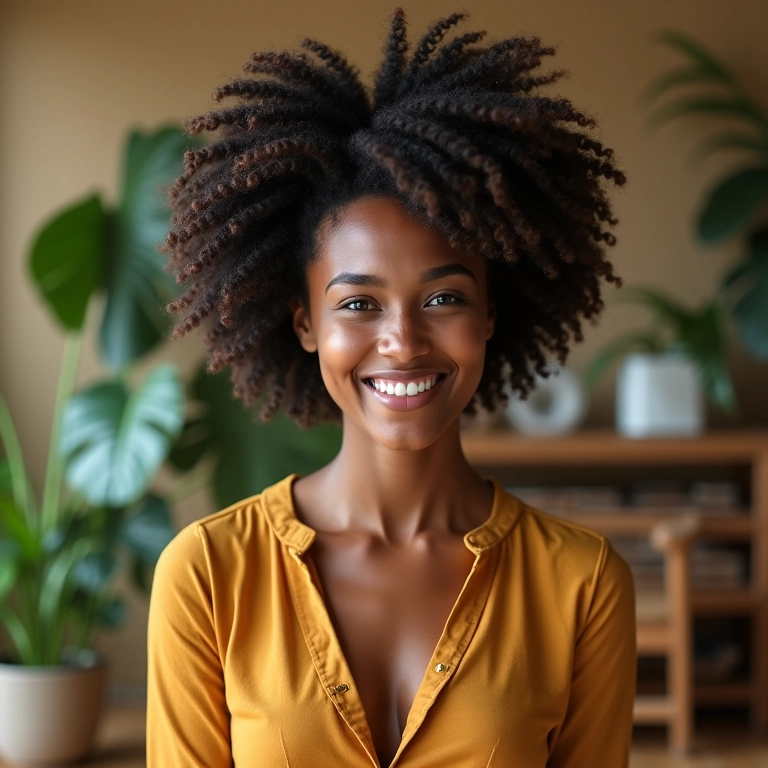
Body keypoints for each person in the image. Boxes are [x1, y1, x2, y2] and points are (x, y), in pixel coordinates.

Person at [147, 8, 636, 767]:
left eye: (444, 298)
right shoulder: (210, 574)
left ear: (490, 315)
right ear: (305, 322)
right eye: (357, 304)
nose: (402, 342)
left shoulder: (581, 583)